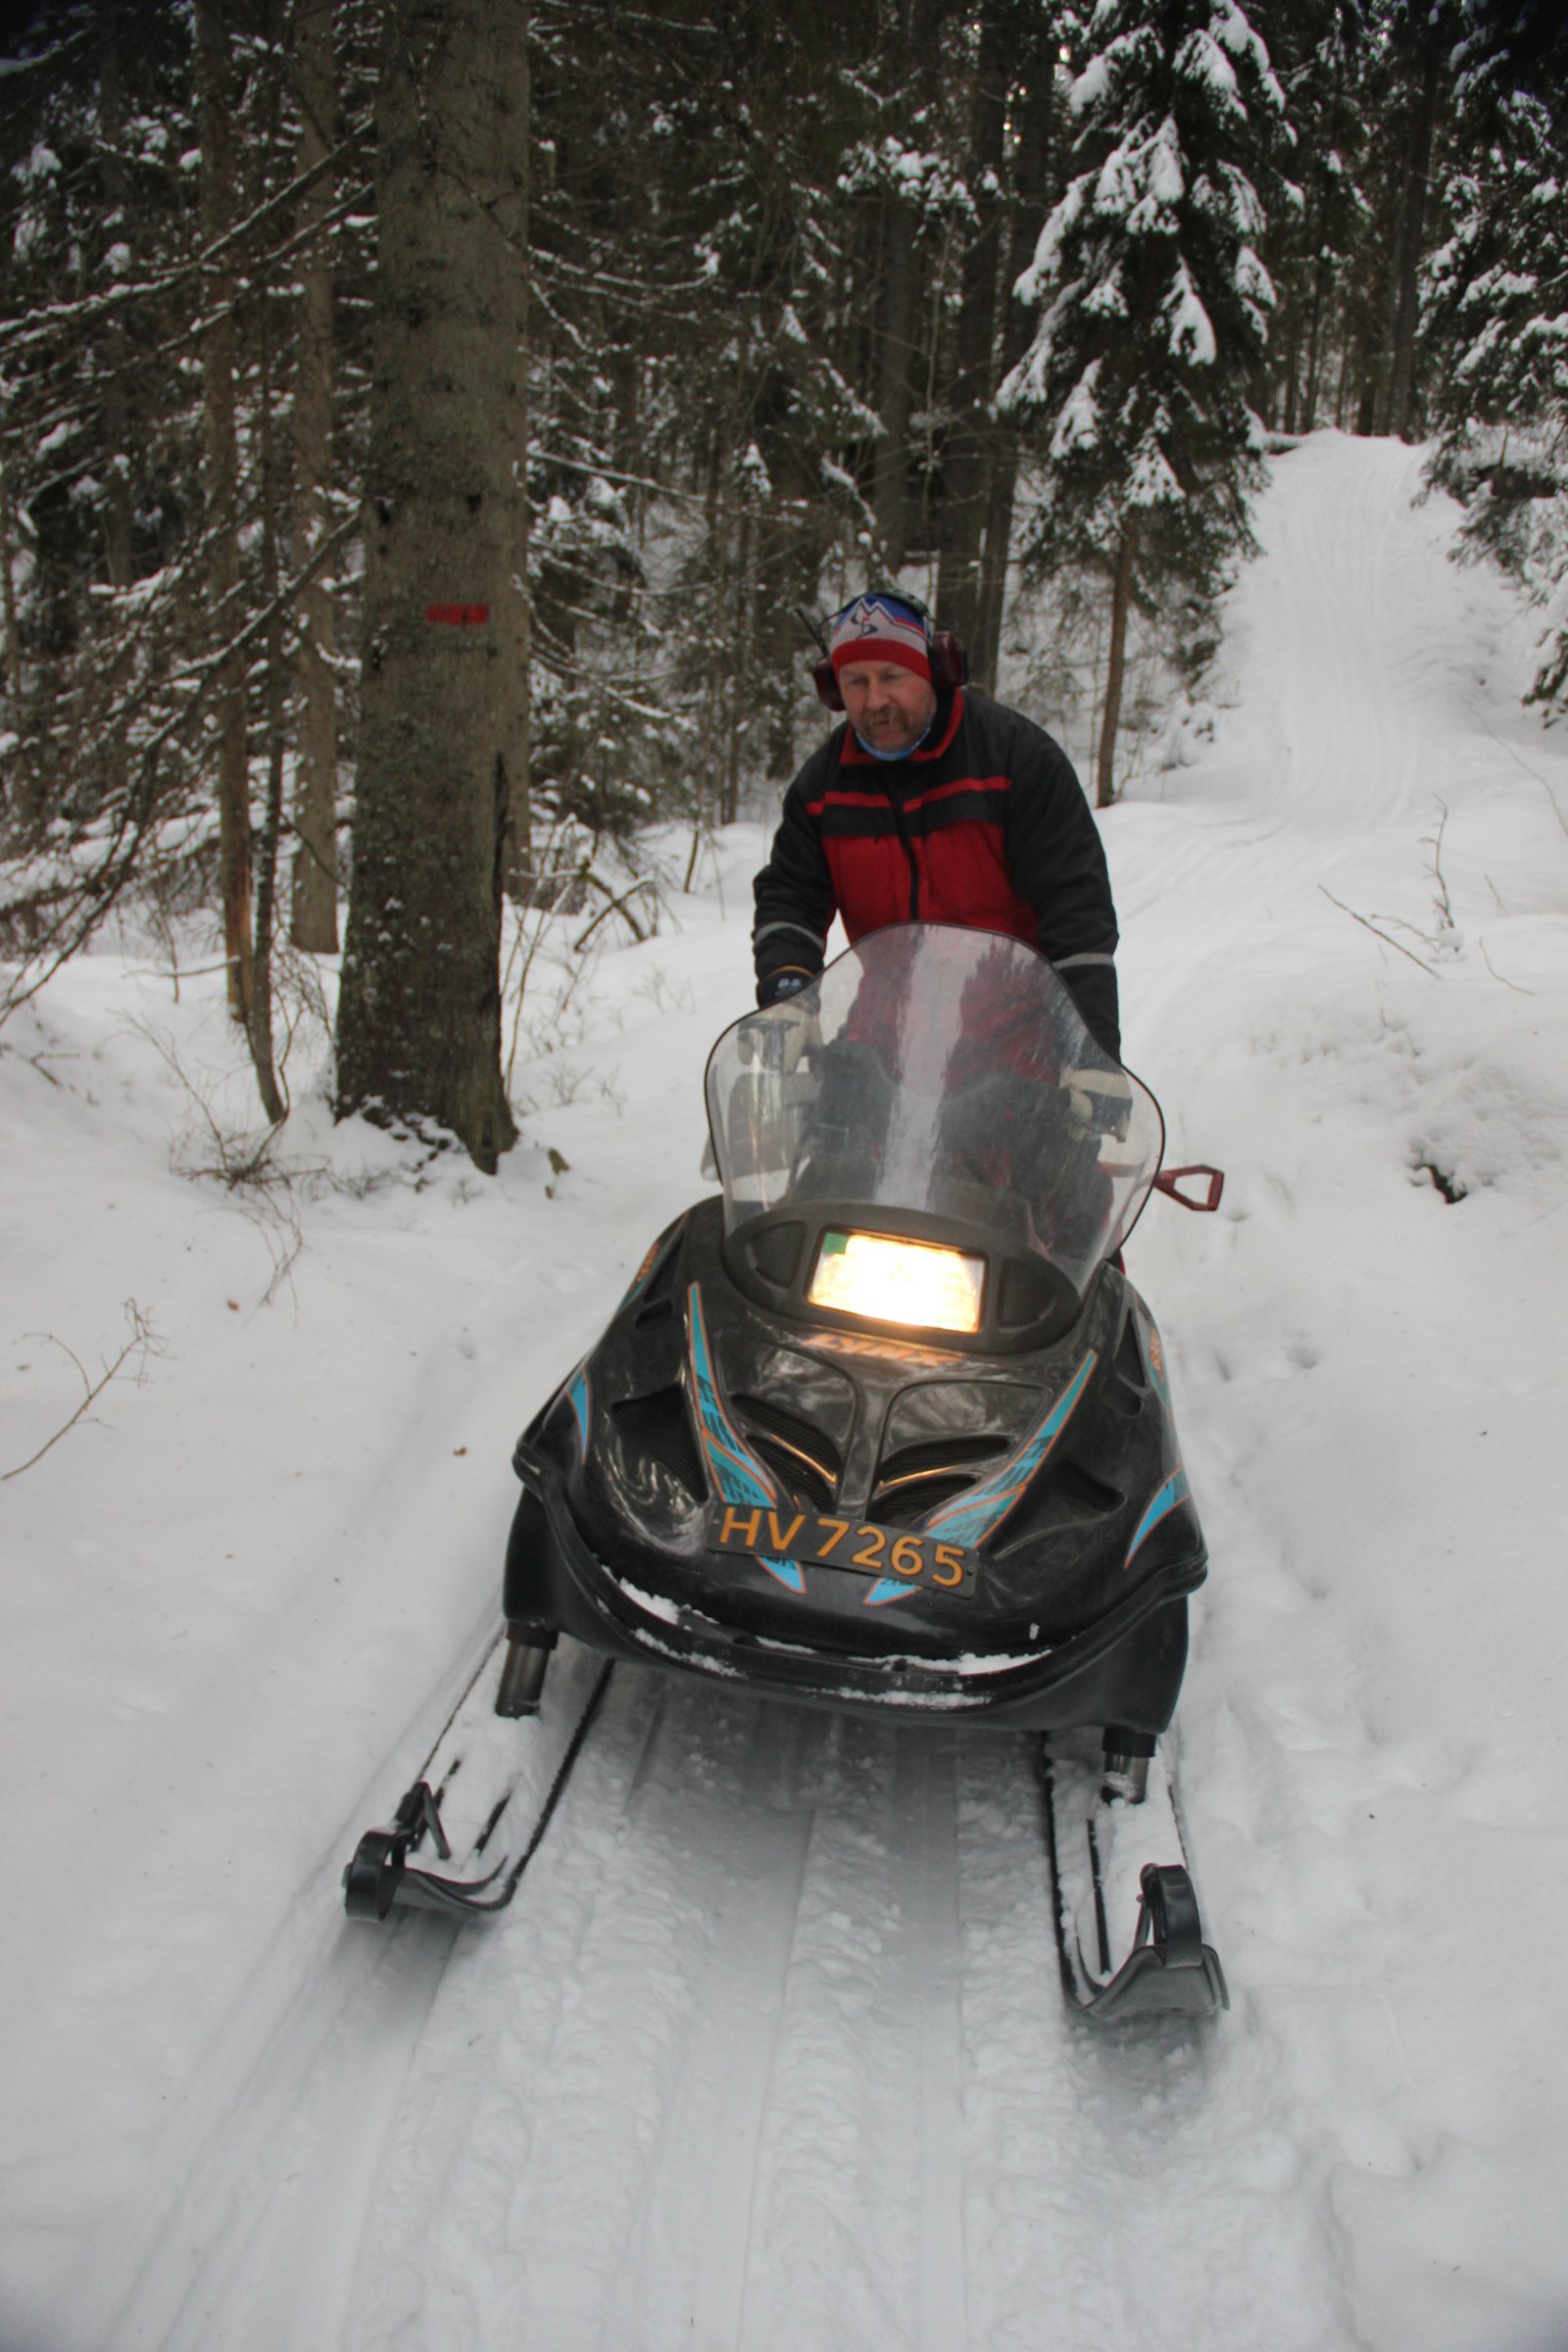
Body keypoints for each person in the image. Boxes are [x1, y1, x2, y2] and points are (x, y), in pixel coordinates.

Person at [752, 590, 1122, 1059]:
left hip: (1020, 1052)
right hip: (884, 1048)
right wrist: (787, 993)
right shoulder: (822, 790)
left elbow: (1077, 913)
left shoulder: (1016, 763)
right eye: (856, 681)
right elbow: (791, 898)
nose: (874, 700)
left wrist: (1091, 1051)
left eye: (892, 676)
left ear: (935, 671)